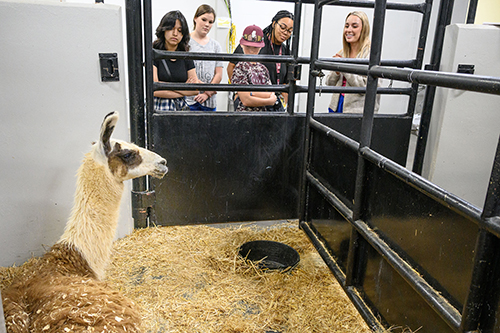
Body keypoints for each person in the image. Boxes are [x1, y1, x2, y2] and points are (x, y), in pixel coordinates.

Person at [227, 10, 294, 105]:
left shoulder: (286, 52)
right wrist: (238, 91)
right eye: (282, 27)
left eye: (289, 31)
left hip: (271, 101)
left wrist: (286, 106)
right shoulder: (256, 43)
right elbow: (231, 66)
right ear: (274, 24)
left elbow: (285, 83)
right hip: (249, 99)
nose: (285, 33)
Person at [326, 11, 380, 113]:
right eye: (347, 26)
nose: (349, 30)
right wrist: (336, 71)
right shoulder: (342, 52)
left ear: (364, 29)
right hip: (336, 106)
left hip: (357, 111)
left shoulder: (371, 55)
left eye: (354, 26)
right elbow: (329, 83)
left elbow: (366, 87)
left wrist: (344, 67)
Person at [153, 10, 200, 111]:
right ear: (163, 30)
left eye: (179, 30)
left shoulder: (186, 56)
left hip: (180, 108)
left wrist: (164, 86)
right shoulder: (154, 54)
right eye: (171, 29)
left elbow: (195, 90)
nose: (175, 34)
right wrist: (184, 88)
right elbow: (154, 90)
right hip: (158, 107)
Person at [230, 25, 277, 112]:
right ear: (241, 45)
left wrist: (252, 93)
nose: (251, 51)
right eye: (248, 47)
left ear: (260, 47)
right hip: (245, 116)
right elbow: (246, 100)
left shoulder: (263, 68)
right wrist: (269, 100)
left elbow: (271, 93)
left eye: (255, 47)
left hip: (262, 117)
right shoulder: (240, 67)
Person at [186, 4, 223, 111]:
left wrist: (207, 93)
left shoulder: (215, 46)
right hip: (189, 100)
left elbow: (219, 74)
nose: (207, 24)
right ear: (195, 18)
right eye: (204, 19)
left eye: (210, 22)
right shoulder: (185, 42)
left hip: (209, 101)